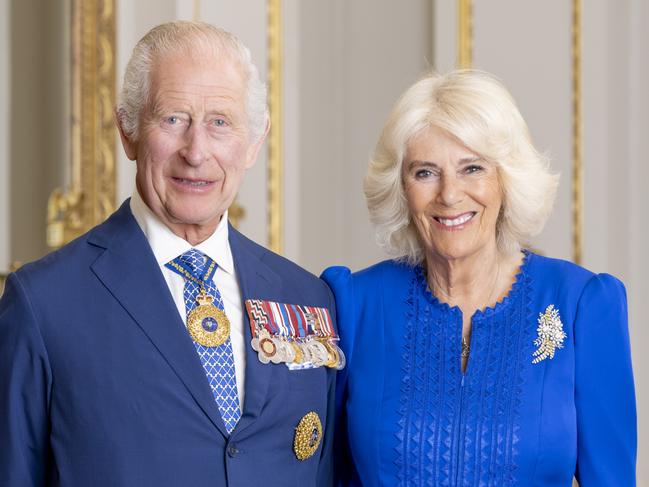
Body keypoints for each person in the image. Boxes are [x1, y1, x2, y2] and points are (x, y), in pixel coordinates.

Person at [0, 21, 339, 486]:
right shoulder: (43, 303)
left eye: (220, 122)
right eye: (173, 119)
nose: (196, 151)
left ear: (255, 140)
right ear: (128, 131)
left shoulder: (309, 298)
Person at [322, 69, 636, 486]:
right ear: (401, 187)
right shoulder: (353, 305)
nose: (449, 195)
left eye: (472, 168)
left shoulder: (581, 304)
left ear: (506, 179)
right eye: (425, 172)